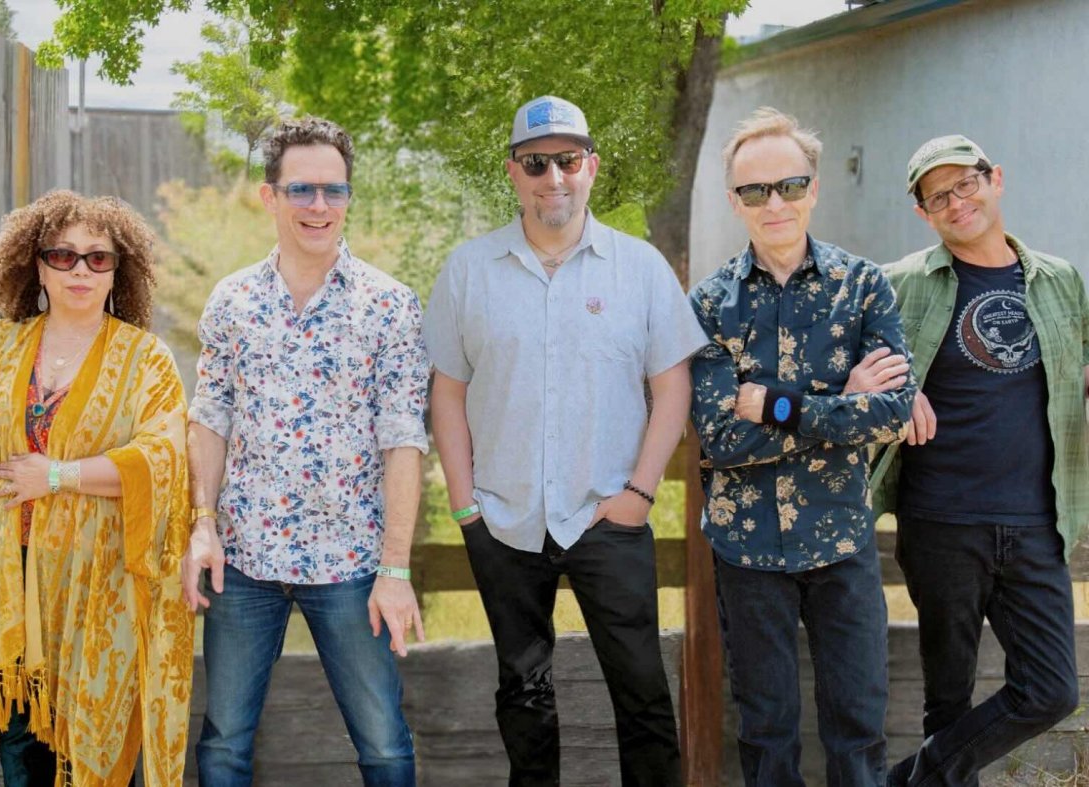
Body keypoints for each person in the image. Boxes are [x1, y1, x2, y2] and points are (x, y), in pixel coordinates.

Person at [424, 95, 704, 787]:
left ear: (591, 167)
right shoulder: (468, 271)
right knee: (523, 692)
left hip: (610, 514)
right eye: (536, 162)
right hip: (504, 518)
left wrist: (640, 493)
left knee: (642, 691)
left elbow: (673, 389)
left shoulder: (640, 269)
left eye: (568, 161)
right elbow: (447, 392)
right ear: (513, 172)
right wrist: (465, 505)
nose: (554, 177)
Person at [0, 190, 193, 786]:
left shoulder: (146, 360)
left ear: (119, 271)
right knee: (20, 739)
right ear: (35, 266)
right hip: (8, 572)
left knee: (94, 731)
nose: (80, 270)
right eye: (62, 255)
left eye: (98, 257)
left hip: (100, 579)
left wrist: (58, 475)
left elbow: (163, 458)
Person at [181, 117, 429, 786]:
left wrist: (395, 568)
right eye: (301, 189)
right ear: (270, 196)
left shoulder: (390, 305)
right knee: (223, 744)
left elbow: (404, 439)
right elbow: (209, 417)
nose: (319, 205)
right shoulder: (233, 301)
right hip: (245, 560)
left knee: (384, 745)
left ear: (348, 197)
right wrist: (203, 525)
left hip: (351, 562)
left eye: (333, 190)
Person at [688, 107, 915, 786]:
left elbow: (891, 413)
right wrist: (841, 398)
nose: (774, 204)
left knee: (859, 730)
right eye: (755, 191)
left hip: (841, 539)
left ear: (813, 188)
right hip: (746, 549)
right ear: (735, 202)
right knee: (766, 734)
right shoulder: (709, 304)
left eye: (789, 185)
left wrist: (777, 404)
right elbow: (721, 437)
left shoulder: (864, 286)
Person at [872, 135, 1089, 786]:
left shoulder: (1060, 278)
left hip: (1036, 521)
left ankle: (904, 782)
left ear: (996, 180)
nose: (956, 201)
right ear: (923, 213)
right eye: (937, 196)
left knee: (1051, 689)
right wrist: (895, 392)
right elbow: (848, 368)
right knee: (949, 700)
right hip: (941, 520)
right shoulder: (898, 283)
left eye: (965, 183)